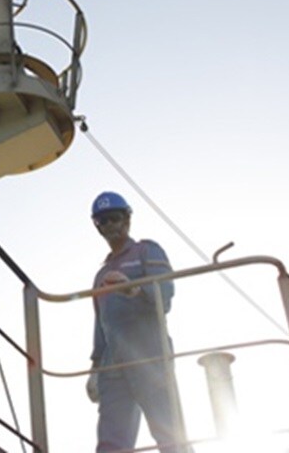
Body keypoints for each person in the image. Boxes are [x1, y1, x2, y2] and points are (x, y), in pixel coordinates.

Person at [86, 191, 190, 453]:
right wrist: (95, 369)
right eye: (101, 221)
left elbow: (165, 294)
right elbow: (101, 325)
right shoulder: (101, 275)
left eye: (113, 218)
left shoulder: (147, 250)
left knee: (168, 431)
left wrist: (134, 289)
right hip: (113, 366)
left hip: (149, 354)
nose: (108, 225)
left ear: (127, 219)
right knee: (111, 443)